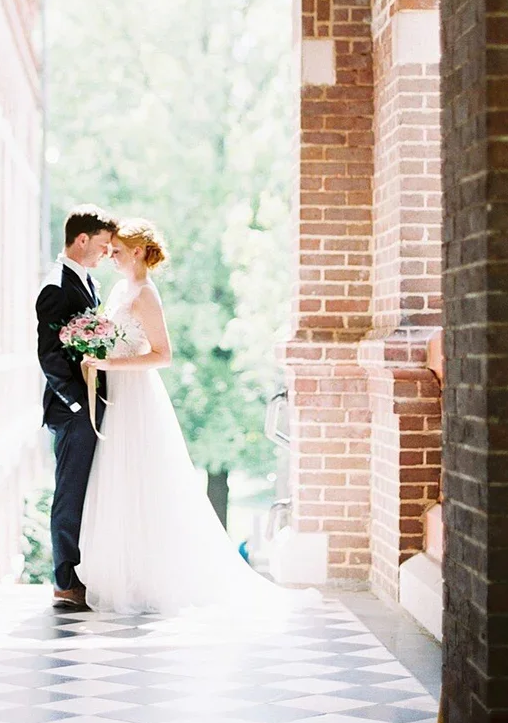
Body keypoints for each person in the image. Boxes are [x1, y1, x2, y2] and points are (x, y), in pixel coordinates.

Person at [77, 218, 317, 616]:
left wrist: (109, 364)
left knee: (143, 478)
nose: (111, 256)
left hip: (137, 395)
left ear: (137, 251)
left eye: (117, 250)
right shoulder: (120, 289)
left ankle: (153, 578)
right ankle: (129, 573)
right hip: (117, 392)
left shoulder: (145, 295)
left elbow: (162, 356)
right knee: (121, 478)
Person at [35, 204, 117, 610]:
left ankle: (86, 572)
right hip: (73, 409)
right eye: (102, 246)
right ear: (82, 240)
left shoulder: (86, 282)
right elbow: (49, 356)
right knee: (70, 491)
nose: (106, 254)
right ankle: (65, 581)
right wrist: (76, 403)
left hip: (94, 401)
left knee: (91, 490)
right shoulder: (56, 287)